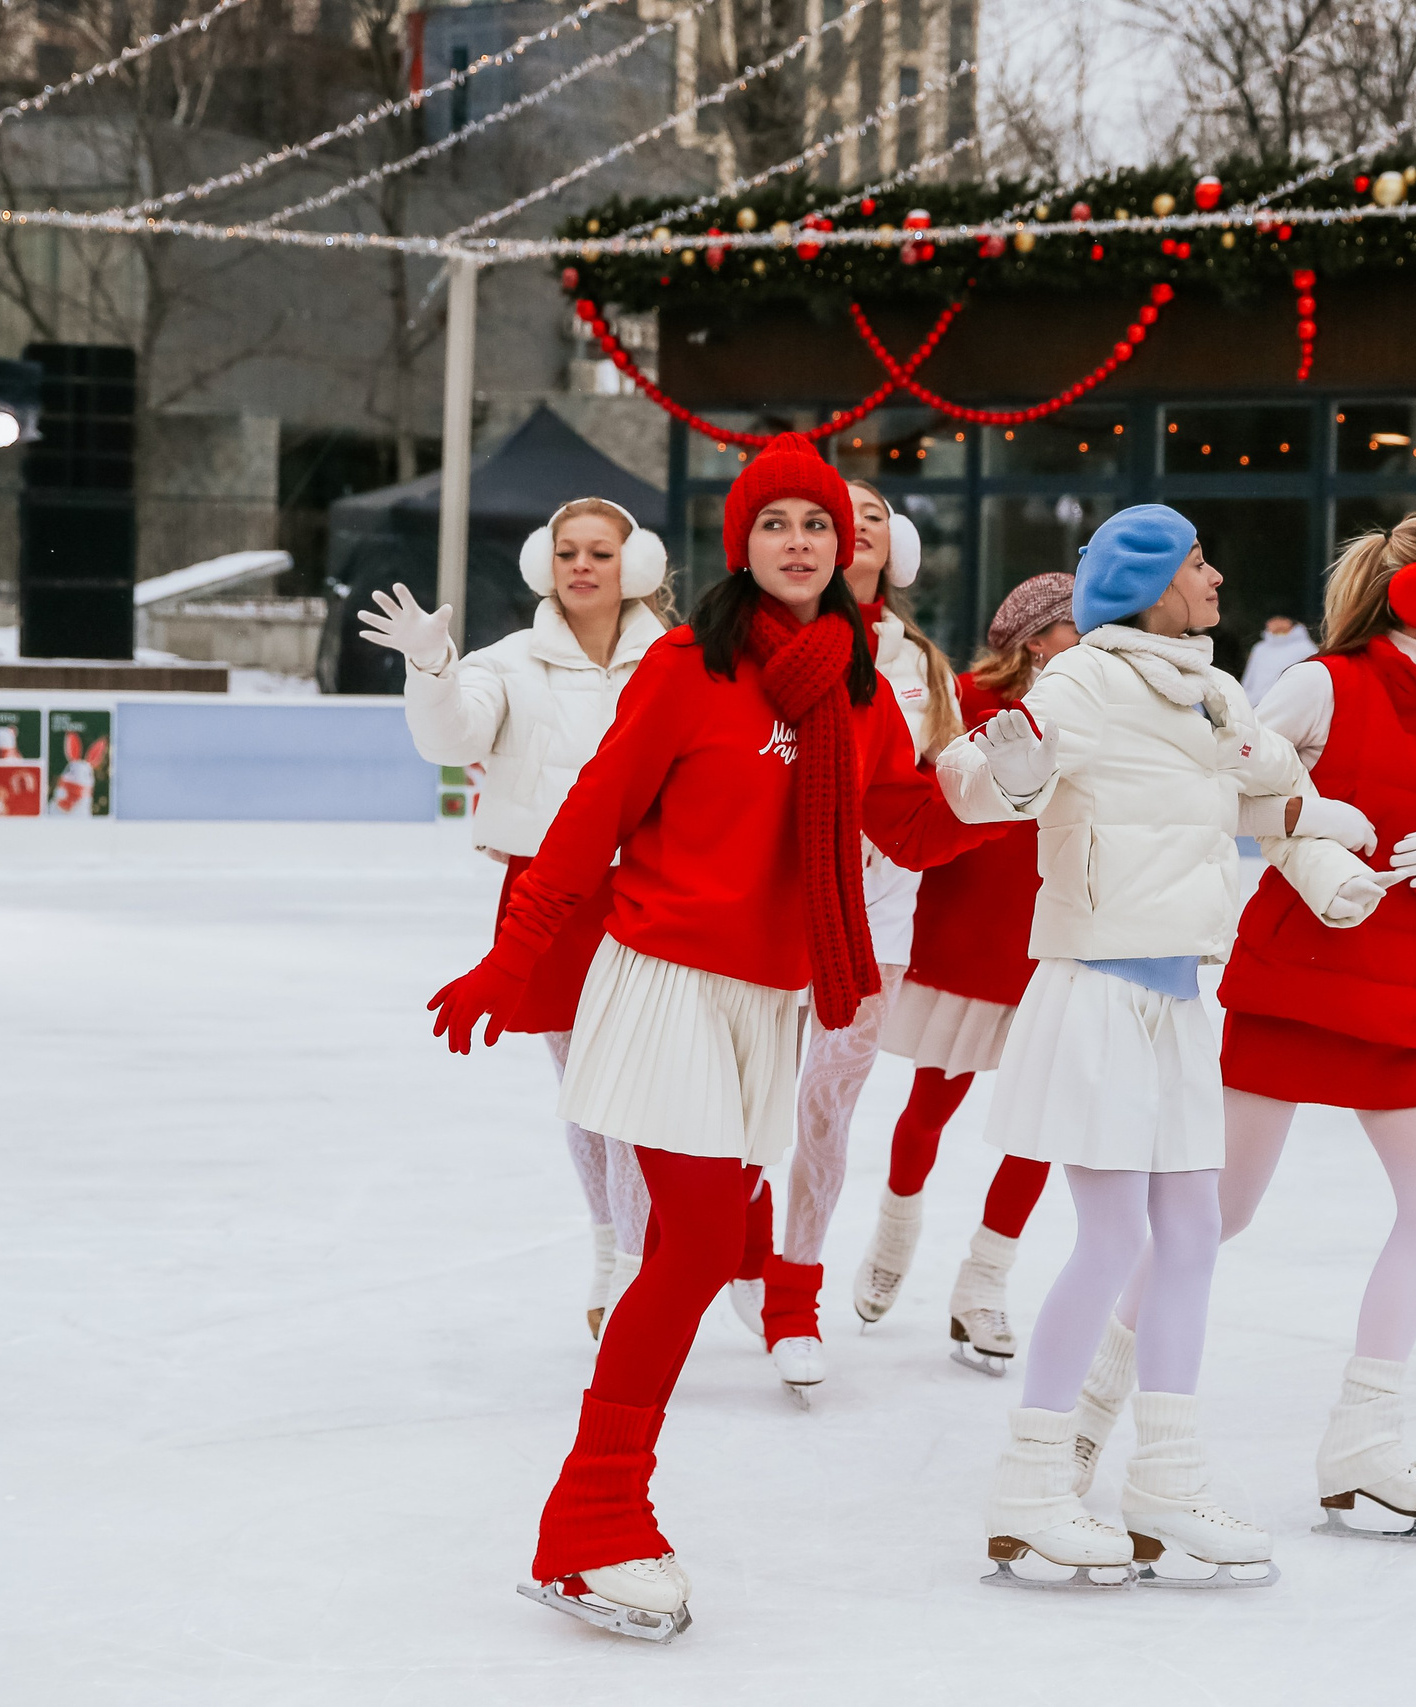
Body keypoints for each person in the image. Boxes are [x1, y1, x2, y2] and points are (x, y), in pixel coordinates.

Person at [423, 434, 996, 1641]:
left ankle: (593, 1520)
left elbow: (903, 825)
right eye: (779, 523)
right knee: (685, 1252)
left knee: (688, 1249)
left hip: (767, 998)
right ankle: (590, 1524)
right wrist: (512, 957)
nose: (802, 544)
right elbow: (590, 817)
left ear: (849, 553)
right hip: (668, 980)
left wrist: (996, 790)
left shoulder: (855, 683)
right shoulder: (689, 664)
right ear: (743, 544)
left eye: (821, 526)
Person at [938, 504, 1383, 1588]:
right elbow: (982, 786)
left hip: (1182, 998)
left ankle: (1164, 1481)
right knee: (1107, 1237)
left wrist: (1334, 876)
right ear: (1146, 581)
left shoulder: (1215, 693)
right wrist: (1013, 767)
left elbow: (1273, 804)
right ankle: (1031, 1485)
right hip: (1095, 993)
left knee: (1188, 1232)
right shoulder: (1083, 681)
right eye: (1195, 562)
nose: (1217, 576)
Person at [1077, 512, 1416, 1547]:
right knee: (1217, 1214)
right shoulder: (1319, 684)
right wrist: (1309, 818)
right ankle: (1080, 1421)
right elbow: (1217, 786)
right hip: (1299, 979)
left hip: (1401, 988)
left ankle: (1363, 1438)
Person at [360, 499, 670, 1338]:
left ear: (633, 565)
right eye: (567, 551)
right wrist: (431, 670)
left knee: (633, 1095)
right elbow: (450, 735)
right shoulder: (508, 661)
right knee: (585, 1094)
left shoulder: (676, 663)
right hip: (550, 894)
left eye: (599, 552)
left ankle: (639, 1265)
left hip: (651, 889)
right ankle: (611, 1247)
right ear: (544, 563)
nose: (581, 566)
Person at [756, 478, 965, 1400]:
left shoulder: (922, 663)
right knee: (746, 1106)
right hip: (762, 912)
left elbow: (942, 794)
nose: (856, 526)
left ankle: (795, 1297)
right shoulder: (755, 644)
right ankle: (737, 1246)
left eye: (872, 515)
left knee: (826, 1111)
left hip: (875, 920)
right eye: (839, 515)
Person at [853, 572, 1079, 1373]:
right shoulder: (968, 698)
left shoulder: (1098, 703)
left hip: (1054, 938)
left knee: (1041, 1125)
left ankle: (984, 1281)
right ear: (1035, 639)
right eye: (1071, 628)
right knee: (931, 1100)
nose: (1085, 640)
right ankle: (893, 1232)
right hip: (966, 926)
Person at [1240, 613, 1318, 704]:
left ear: (1289, 621)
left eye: (1279, 619)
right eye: (1272, 620)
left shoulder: (1305, 648)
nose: (1275, 623)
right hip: (1257, 706)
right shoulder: (1260, 648)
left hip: (1290, 704)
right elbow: (1249, 679)